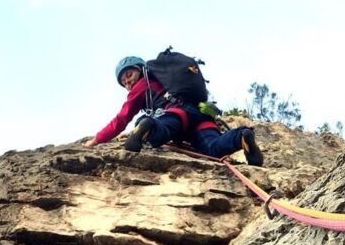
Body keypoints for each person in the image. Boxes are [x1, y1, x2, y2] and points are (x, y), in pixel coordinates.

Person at [84, 56, 264, 165]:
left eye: (129, 75)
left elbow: (122, 118)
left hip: (176, 114)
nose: (128, 82)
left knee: (160, 131)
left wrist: (96, 140)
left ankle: (147, 127)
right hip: (201, 117)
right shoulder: (167, 81)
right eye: (124, 82)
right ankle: (241, 137)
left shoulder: (143, 85)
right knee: (212, 148)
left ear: (141, 70)